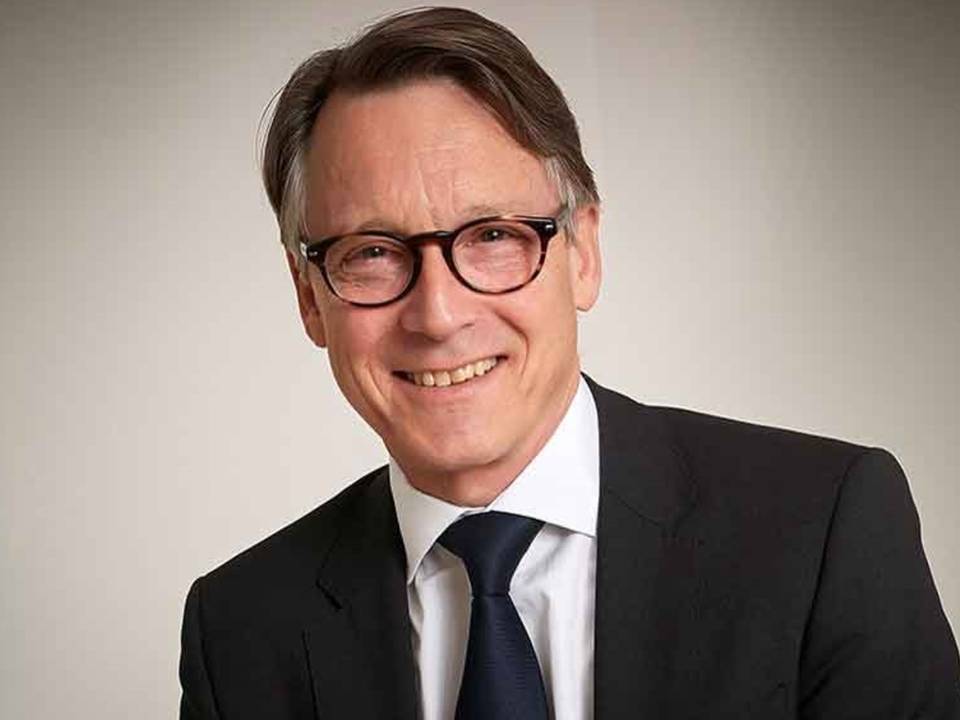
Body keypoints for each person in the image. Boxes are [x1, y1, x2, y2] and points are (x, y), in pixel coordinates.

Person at [178, 7, 960, 719]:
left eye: (493, 236)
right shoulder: (240, 630)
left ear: (583, 252)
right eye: (373, 253)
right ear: (309, 297)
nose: (439, 315)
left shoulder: (822, 531)